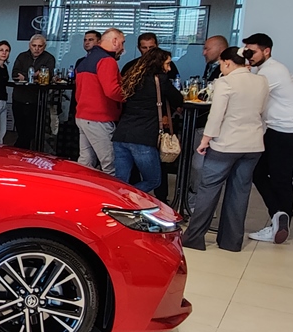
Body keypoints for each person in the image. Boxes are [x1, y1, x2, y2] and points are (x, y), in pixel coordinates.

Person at [182, 47, 268, 251]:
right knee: (240, 192)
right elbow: (263, 112)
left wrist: (205, 141)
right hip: (253, 144)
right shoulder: (261, 81)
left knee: (208, 190)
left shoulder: (225, 82)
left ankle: (194, 238)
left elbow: (216, 115)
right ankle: (232, 242)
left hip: (226, 144)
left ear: (227, 63)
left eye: (221, 63)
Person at [243, 33, 293, 244]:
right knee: (261, 172)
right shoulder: (268, 69)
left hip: (286, 131)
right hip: (283, 129)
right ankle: (280, 217)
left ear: (266, 51)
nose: (248, 56)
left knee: (280, 178)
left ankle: (280, 222)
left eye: (252, 52)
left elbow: (250, 95)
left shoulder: (271, 71)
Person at [112, 48, 184, 192]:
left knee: (120, 182)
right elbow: (178, 99)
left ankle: (118, 199)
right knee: (153, 180)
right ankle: (127, 198)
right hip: (143, 137)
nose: (169, 68)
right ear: (158, 63)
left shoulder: (133, 78)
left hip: (121, 135)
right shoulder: (161, 80)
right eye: (167, 64)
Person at [74, 27, 125, 174]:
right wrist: (128, 96)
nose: (123, 47)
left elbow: (79, 92)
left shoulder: (85, 61)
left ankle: (80, 187)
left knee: (85, 162)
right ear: (115, 41)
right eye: (122, 42)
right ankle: (111, 189)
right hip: (99, 118)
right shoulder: (107, 60)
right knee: (111, 165)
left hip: (83, 115)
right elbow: (112, 90)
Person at [188, 34, 229, 211]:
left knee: (200, 166)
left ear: (221, 49)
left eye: (207, 48)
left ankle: (199, 206)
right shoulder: (210, 67)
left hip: (212, 127)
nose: (204, 52)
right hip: (202, 123)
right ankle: (195, 203)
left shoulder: (226, 73)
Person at [11, 34, 56, 149]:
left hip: (37, 100)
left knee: (32, 132)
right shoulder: (22, 56)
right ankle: (21, 152)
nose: (36, 49)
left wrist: (25, 76)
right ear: (29, 45)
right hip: (19, 98)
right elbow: (15, 74)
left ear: (44, 46)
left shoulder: (49, 58)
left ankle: (20, 151)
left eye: (40, 46)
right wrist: (33, 75)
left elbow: (47, 76)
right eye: (34, 45)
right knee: (21, 130)